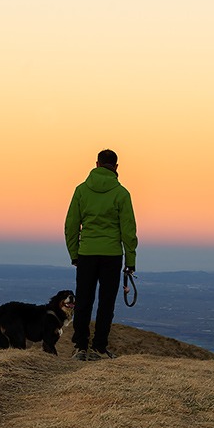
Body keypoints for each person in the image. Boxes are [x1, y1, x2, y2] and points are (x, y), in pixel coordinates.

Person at [64, 149, 137, 360]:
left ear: (96, 164)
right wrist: (130, 261)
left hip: (86, 253)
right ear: (116, 167)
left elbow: (70, 226)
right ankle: (98, 347)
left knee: (84, 301)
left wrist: (74, 254)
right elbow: (128, 231)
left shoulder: (81, 191)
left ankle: (80, 347)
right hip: (112, 256)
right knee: (106, 303)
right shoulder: (122, 194)